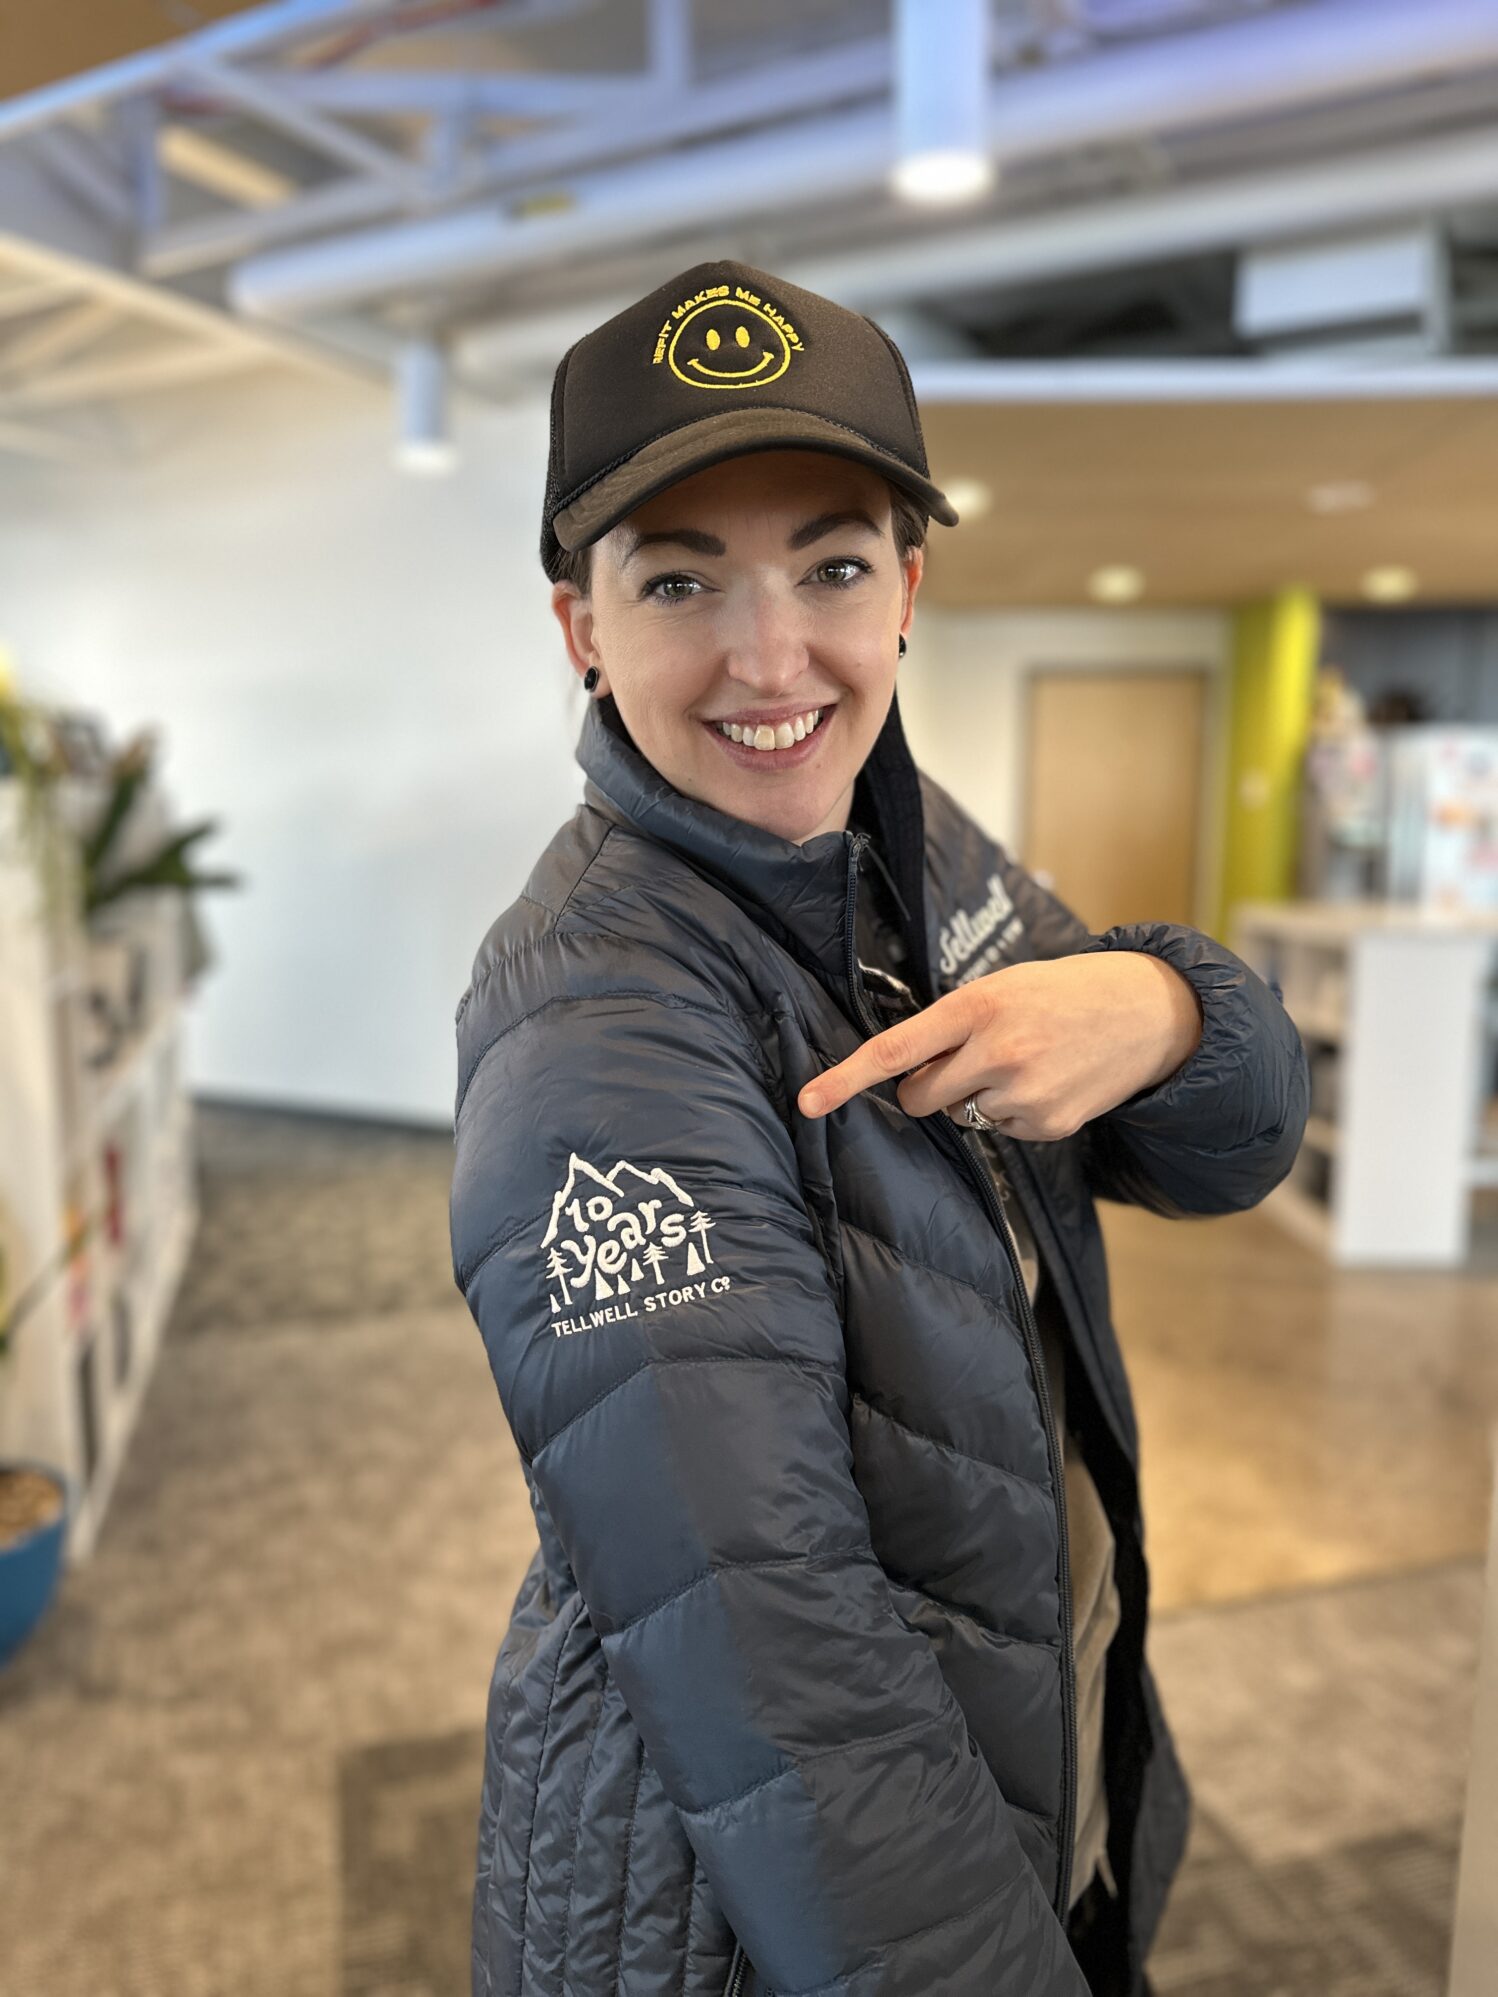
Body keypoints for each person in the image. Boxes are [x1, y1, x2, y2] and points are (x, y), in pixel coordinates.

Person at [449, 259, 1310, 1997]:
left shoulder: (909, 850)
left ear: (907, 588)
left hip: (1017, 1750)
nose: (771, 659)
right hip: (744, 1916)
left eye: (831, 567)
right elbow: (773, 1650)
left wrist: (1165, 1006)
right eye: (678, 579)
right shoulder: (594, 1022)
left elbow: (1221, 1151)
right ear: (580, 629)